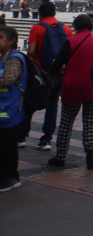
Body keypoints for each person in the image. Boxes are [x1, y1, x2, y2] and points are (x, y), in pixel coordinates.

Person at [46, 14, 93, 169]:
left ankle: (61, 156)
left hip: (72, 87)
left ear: (76, 26)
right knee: (90, 123)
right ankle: (91, 156)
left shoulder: (70, 41)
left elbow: (57, 65)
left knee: (66, 122)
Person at [20, 0, 72, 150]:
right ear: (55, 13)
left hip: (38, 73)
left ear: (40, 14)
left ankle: (22, 136)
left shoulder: (37, 28)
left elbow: (30, 52)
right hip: (56, 73)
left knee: (29, 103)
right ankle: (46, 140)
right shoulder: (66, 29)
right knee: (52, 106)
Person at [0, 23, 25, 192]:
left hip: (11, 110)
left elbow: (8, 79)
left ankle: (11, 178)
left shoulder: (14, 58)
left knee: (7, 144)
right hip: (3, 108)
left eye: (1, 38)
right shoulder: (3, 57)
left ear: (12, 40)